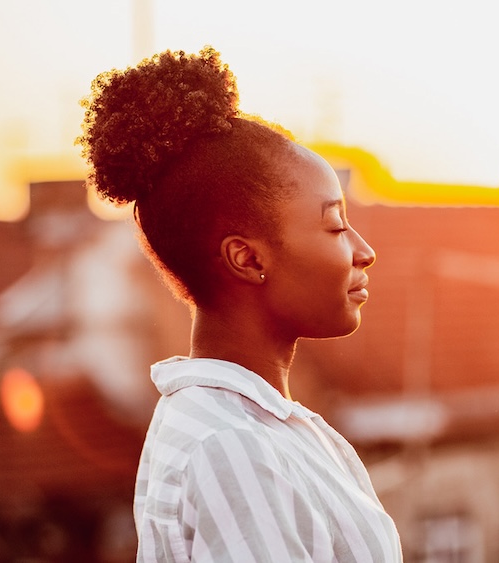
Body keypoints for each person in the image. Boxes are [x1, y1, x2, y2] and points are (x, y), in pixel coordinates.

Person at [77, 47, 402, 562]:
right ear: (247, 258)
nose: (365, 251)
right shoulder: (230, 447)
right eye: (335, 225)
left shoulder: (264, 428)